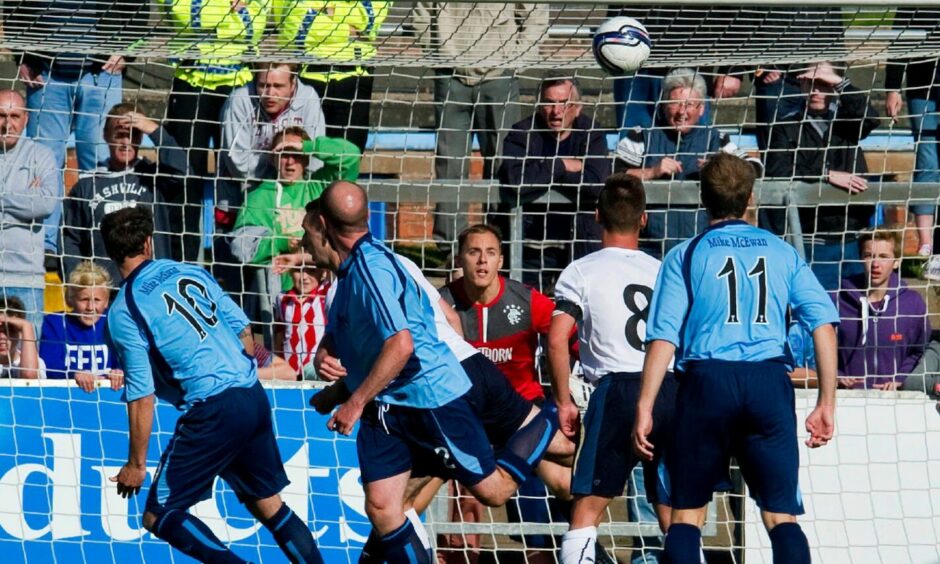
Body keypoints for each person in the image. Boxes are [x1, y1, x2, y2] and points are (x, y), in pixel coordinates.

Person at [280, 196, 575, 563]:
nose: (302, 242)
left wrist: (354, 401)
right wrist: (335, 381)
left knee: (501, 488)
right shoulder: (352, 276)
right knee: (387, 506)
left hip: (438, 389)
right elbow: (424, 327)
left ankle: (551, 420)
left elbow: (406, 341)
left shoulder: (376, 268)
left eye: (307, 232)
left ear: (324, 228)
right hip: (404, 398)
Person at [632, 153, 840, 564]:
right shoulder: (783, 253)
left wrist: (645, 405)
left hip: (708, 382)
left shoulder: (685, 254)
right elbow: (824, 325)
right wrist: (825, 402)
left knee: (686, 516)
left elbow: (663, 337)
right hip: (767, 382)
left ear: (703, 197)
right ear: (750, 197)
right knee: (781, 516)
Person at [102, 206, 323, 564]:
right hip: (250, 396)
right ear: (149, 241)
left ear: (110, 253)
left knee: (159, 515)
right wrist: (238, 369)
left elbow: (141, 394)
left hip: (212, 409)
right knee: (268, 505)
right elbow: (243, 329)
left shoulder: (124, 310)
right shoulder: (191, 271)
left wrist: (136, 465)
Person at [549, 174, 675, 564]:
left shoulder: (582, 271)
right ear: (644, 219)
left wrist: (563, 400)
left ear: (596, 215)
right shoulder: (665, 269)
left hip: (617, 390)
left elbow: (556, 339)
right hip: (668, 388)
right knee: (674, 515)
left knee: (586, 511)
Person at [440, 223, 570, 562]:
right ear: (460, 259)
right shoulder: (443, 303)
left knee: (562, 484)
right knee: (459, 497)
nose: (482, 261)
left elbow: (568, 338)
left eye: (490, 253)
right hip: (468, 417)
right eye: (473, 253)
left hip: (523, 415)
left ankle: (575, 549)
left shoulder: (525, 300)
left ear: (501, 260)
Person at [410, 3, 549, 254]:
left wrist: (516, 59)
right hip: (450, 73)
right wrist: (438, 54)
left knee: (503, 162)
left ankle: (500, 242)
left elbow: (535, 13)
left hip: (499, 75)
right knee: (449, 163)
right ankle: (452, 249)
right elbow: (421, 12)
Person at [160, 0, 268, 261]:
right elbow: (181, 13)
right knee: (184, 176)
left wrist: (213, 16)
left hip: (239, 85)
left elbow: (257, 24)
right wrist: (229, 14)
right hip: (191, 81)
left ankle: (241, 260)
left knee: (243, 173)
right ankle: (182, 262)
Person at [616, 67, 762, 258]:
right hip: (650, 251)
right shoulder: (642, 134)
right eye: (675, 103)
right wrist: (651, 172)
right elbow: (613, 174)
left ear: (701, 109)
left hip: (703, 249)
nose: (681, 112)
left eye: (689, 104)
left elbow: (754, 167)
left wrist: (720, 166)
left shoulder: (716, 138)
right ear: (663, 105)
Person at [765, 61, 880, 291]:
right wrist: (826, 175)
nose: (816, 90)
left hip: (852, 236)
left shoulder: (847, 122)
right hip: (811, 237)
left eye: (823, 83)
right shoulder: (785, 124)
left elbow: (872, 118)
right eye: (811, 83)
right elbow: (778, 172)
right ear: (801, 84)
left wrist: (839, 81)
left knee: (857, 311)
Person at [498, 77, 611, 291]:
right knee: (530, 315)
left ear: (577, 108)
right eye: (549, 102)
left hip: (579, 245)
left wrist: (542, 174)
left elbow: (596, 185)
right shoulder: (522, 133)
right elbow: (516, 180)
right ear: (539, 106)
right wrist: (561, 165)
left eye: (564, 103)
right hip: (530, 245)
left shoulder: (591, 133)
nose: (556, 111)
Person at [63, 104, 188, 283]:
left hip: (151, 286)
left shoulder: (155, 178)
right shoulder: (87, 185)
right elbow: (71, 241)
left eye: (133, 135)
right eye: (120, 135)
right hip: (105, 291)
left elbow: (183, 170)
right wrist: (78, 283)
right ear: (105, 136)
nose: (126, 142)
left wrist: (154, 130)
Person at [230, 126, 360, 293]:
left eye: (296, 154)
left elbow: (352, 156)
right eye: (284, 154)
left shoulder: (319, 187)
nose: (290, 161)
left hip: (326, 291)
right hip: (281, 296)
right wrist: (279, 242)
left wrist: (308, 147)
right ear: (272, 159)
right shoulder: (259, 198)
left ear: (306, 159)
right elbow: (240, 248)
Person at [274, 1, 390, 152]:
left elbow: (371, 18)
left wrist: (330, 11)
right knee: (297, 157)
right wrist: (345, 29)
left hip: (355, 78)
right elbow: (295, 24)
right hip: (305, 78)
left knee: (346, 162)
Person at [219, 62, 327, 209]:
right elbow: (238, 163)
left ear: (293, 84)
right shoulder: (239, 100)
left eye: (278, 86)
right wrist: (279, 168)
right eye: (263, 85)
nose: (270, 94)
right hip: (240, 193)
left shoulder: (308, 99)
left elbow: (315, 159)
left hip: (295, 195)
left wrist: (287, 182)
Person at [836, 230, 931, 390]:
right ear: (860, 258)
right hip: (847, 397)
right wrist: (836, 374)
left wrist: (901, 378)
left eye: (883, 256)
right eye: (868, 255)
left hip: (896, 398)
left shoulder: (913, 303)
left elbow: (920, 351)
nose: (875, 264)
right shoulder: (837, 301)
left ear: (897, 262)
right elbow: (818, 348)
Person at [0, 89, 61, 334]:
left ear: (26, 119)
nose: (8, 124)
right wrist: (25, 198)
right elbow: (35, 204)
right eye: (1, 115)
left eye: (15, 116)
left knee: (27, 364)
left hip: (26, 278)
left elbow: (46, 204)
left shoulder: (40, 155)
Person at [885, 10, 939, 261]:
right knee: (927, 159)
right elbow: (899, 40)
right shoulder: (916, 5)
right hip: (923, 87)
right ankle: (927, 243)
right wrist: (892, 88)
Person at [39, 261, 123, 392]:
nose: (90, 307)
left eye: (97, 300)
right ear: (70, 299)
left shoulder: (115, 322)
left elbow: (128, 359)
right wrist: (74, 374)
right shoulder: (54, 323)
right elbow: (49, 365)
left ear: (106, 302)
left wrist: (120, 372)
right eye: (84, 300)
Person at [274, 263, 331, 380]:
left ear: (323, 272)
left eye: (311, 271)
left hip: (316, 372)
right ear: (289, 271)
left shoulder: (327, 294)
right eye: (297, 270)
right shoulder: (282, 299)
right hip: (290, 372)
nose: (304, 276)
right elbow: (279, 336)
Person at [0, 296, 41, 379]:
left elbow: (29, 376)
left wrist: (26, 325)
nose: (2, 337)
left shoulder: (36, 362)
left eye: (10, 330)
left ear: (21, 333)